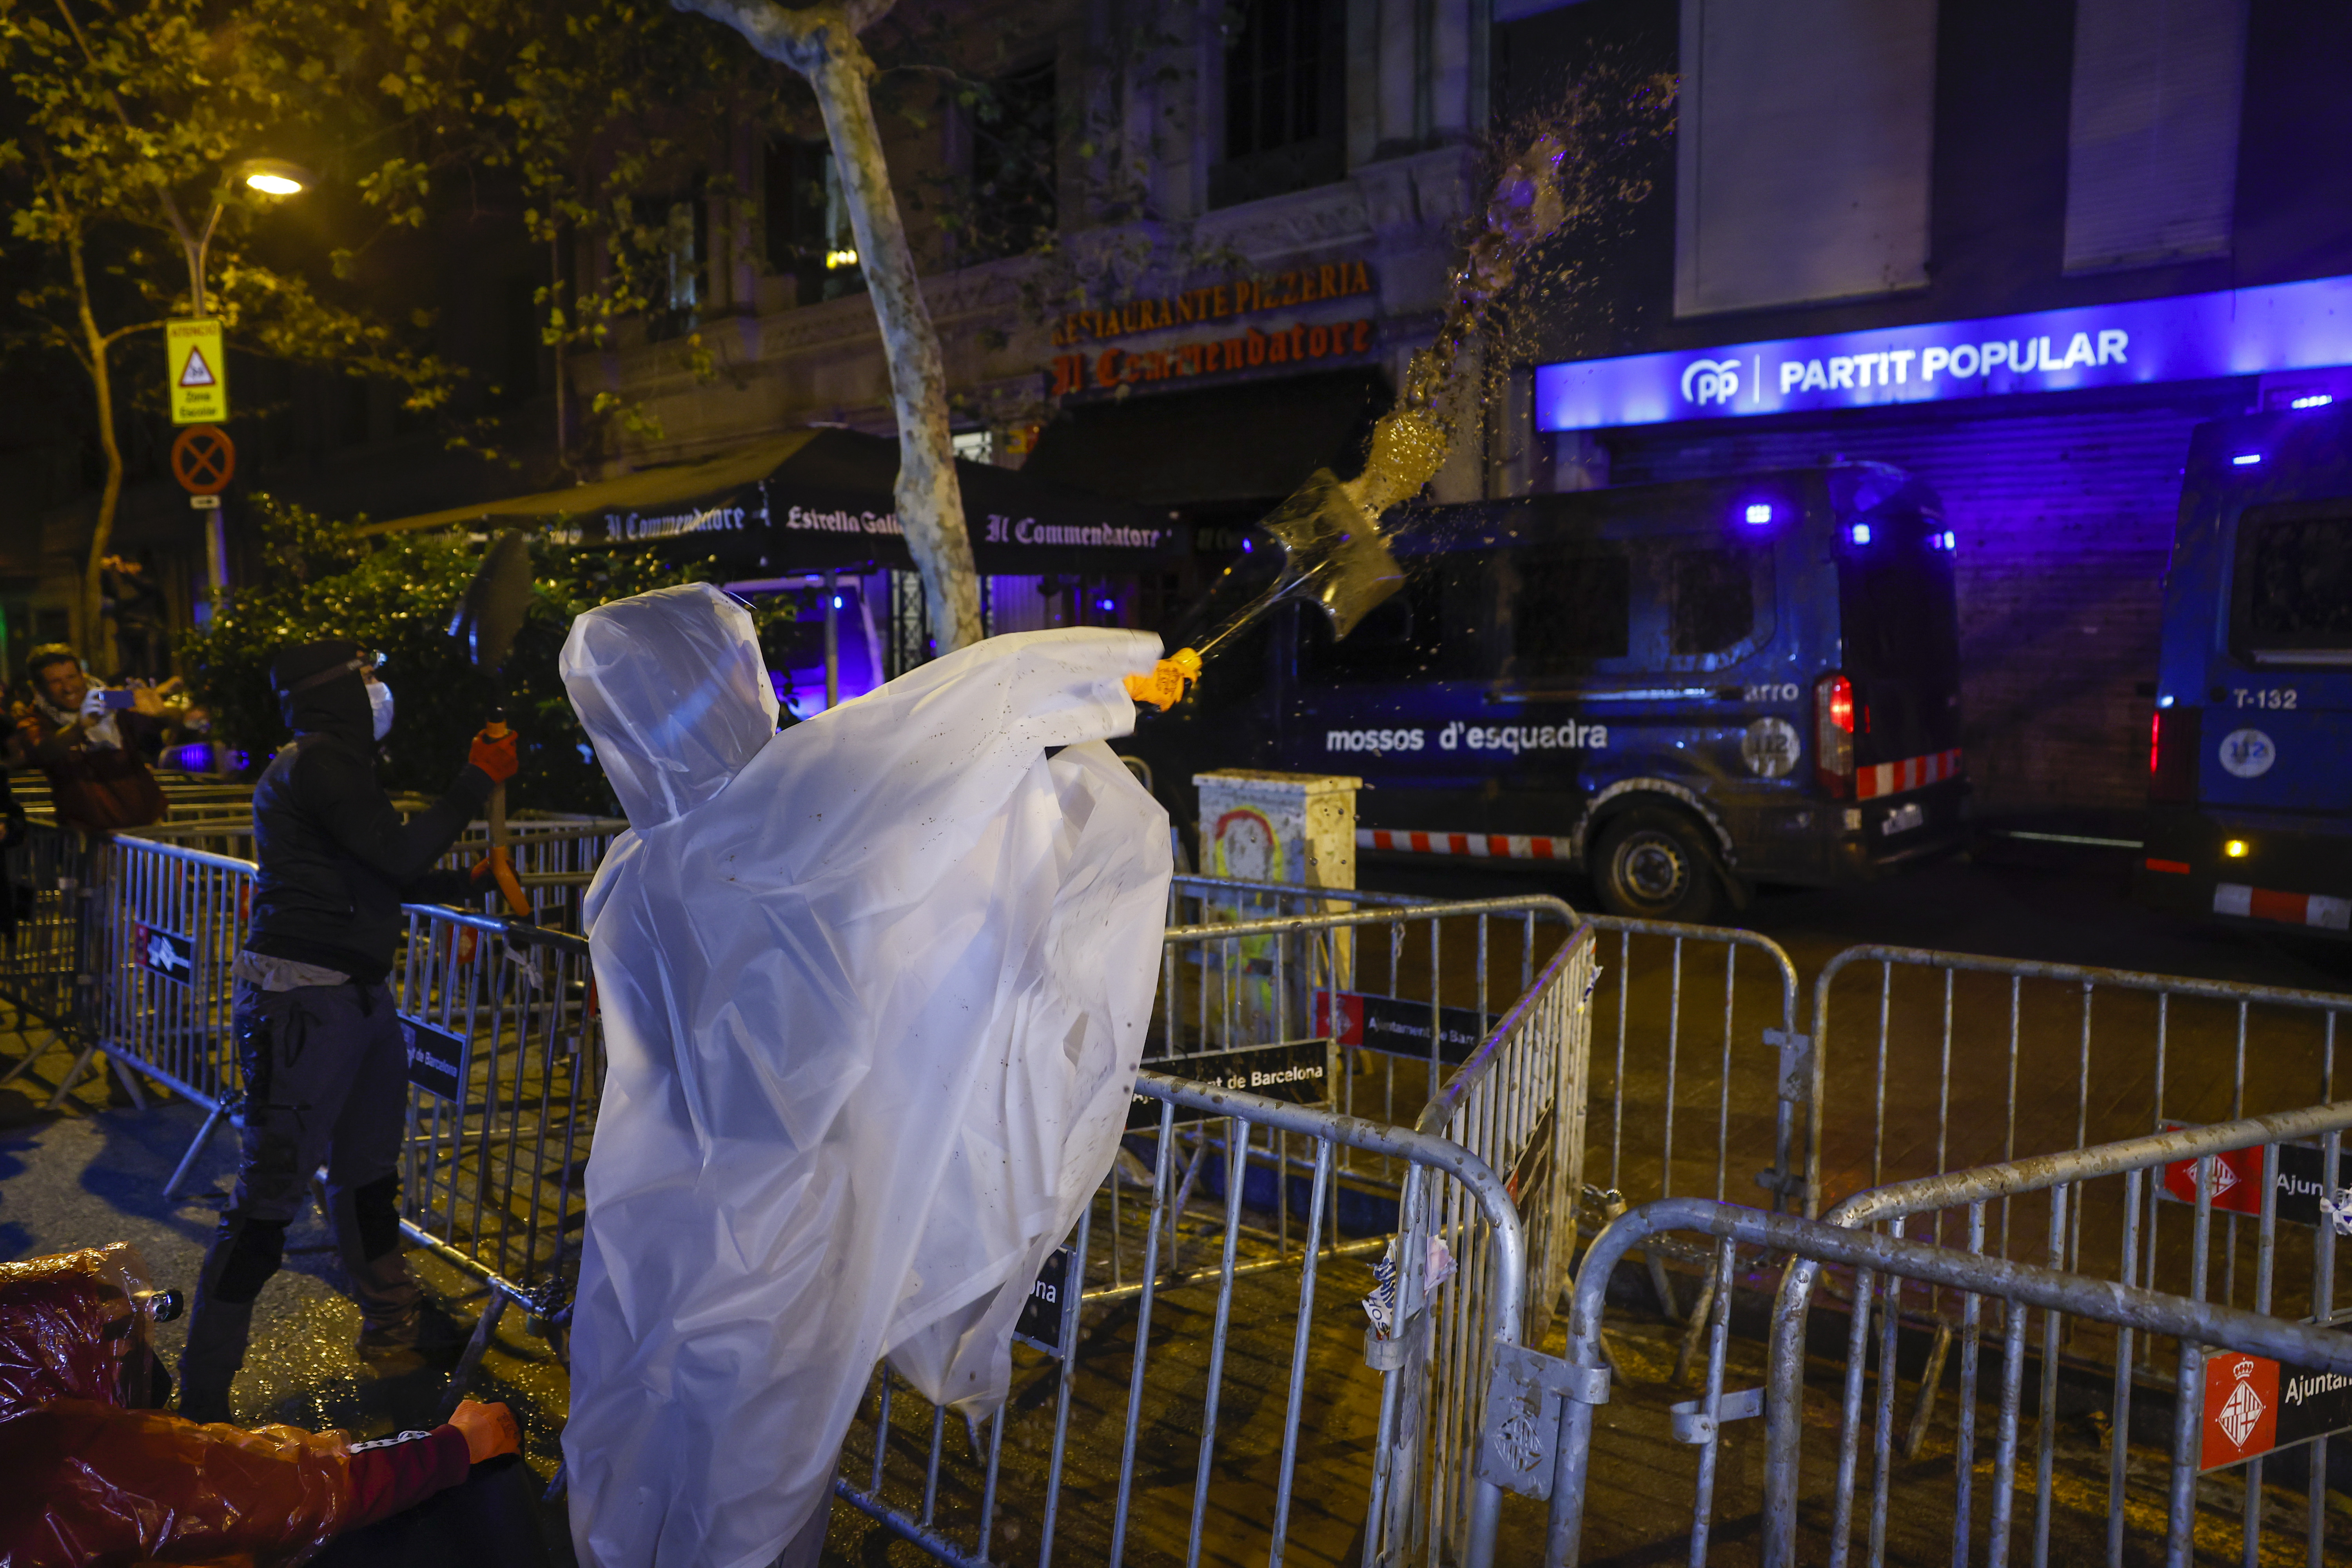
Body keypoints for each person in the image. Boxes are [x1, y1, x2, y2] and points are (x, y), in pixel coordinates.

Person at [176, 641, 521, 1425]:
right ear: (333, 692)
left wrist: (464, 881)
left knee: (367, 1176)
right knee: (268, 1205)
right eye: (365, 676)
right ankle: (200, 1400)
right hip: (304, 1004)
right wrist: (477, 779)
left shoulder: (335, 765)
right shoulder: (319, 761)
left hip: (356, 998)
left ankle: (391, 1324)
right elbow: (397, 849)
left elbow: (378, 871)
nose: (378, 688)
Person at [0, 1243, 525, 1568]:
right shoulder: (80, 1452)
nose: (136, 1349)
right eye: (115, 1337)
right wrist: (456, 1446)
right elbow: (297, 1489)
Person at [8, 643, 202, 834]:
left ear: (83, 676)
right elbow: (44, 750)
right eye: (56, 682)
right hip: (90, 836)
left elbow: (173, 717)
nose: (68, 688)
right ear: (39, 688)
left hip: (148, 826)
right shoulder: (35, 719)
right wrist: (80, 726)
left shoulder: (108, 698)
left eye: (72, 677)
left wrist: (162, 712)